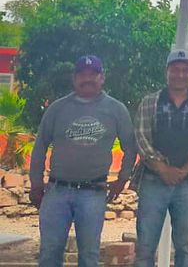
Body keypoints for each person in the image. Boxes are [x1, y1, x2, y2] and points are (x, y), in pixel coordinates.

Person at [28, 55, 138, 267]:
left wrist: (123, 178)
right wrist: (36, 183)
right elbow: (40, 145)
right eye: (82, 75)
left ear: (102, 78)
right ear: (74, 78)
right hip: (57, 191)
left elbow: (130, 147)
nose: (87, 79)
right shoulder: (57, 108)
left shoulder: (116, 109)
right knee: (50, 253)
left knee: (89, 255)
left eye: (93, 75)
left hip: (93, 192)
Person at [131, 49, 188, 267]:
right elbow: (141, 139)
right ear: (167, 72)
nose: (180, 74)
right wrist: (163, 170)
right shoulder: (150, 102)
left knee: (184, 247)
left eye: (185, 70)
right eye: (175, 70)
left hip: (187, 183)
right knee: (146, 246)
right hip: (152, 181)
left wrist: (183, 171)